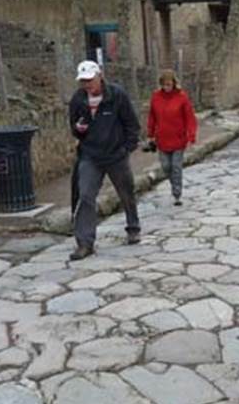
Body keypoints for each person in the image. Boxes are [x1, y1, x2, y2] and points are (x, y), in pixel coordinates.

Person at [67, 60, 141, 260]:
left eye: (90, 80)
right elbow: (73, 126)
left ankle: (133, 227)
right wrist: (78, 130)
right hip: (90, 155)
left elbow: (131, 123)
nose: (87, 85)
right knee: (85, 195)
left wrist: (127, 147)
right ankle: (84, 243)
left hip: (116, 154)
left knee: (126, 192)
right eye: (83, 81)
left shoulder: (116, 95)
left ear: (100, 76)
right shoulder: (78, 99)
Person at [147, 69, 197, 207]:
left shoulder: (182, 98)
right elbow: (152, 117)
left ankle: (177, 193)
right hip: (162, 139)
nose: (167, 87)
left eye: (169, 84)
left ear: (174, 84)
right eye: (164, 85)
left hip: (178, 138)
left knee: (176, 166)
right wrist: (150, 134)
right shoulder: (156, 98)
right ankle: (173, 183)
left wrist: (191, 135)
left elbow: (190, 118)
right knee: (166, 166)